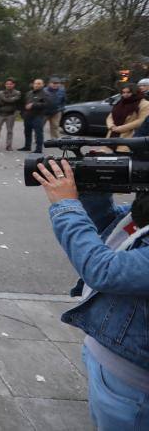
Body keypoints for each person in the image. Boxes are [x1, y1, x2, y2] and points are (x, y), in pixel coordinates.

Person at [32, 159, 149, 430]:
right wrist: (93, 181)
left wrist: (64, 204)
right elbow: (111, 225)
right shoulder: (143, 213)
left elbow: (103, 269)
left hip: (133, 387)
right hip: (108, 360)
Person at [106, 84, 149, 151]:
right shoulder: (120, 102)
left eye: (128, 92)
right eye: (123, 92)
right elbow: (110, 116)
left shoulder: (144, 104)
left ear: (135, 92)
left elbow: (142, 120)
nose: (125, 95)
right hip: (112, 135)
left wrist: (121, 128)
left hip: (129, 136)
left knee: (124, 157)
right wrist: (111, 126)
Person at [0, 78, 21, 151]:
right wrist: (8, 100)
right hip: (0, 114)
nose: (9, 85)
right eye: (7, 84)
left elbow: (14, 100)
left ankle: (9, 145)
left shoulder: (17, 93)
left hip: (10, 114)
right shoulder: (0, 92)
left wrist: (3, 99)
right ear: (5, 85)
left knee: (9, 131)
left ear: (13, 85)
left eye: (10, 84)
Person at [18, 79, 48, 153]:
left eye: (39, 83)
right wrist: (22, 113)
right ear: (33, 84)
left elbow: (46, 104)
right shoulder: (29, 93)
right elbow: (24, 103)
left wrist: (33, 105)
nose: (37, 85)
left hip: (38, 116)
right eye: (35, 83)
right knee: (27, 132)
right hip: (28, 116)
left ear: (43, 84)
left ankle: (39, 149)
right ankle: (27, 146)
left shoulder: (45, 94)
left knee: (38, 133)